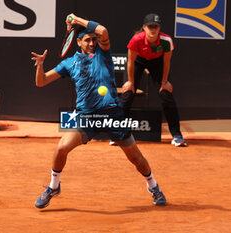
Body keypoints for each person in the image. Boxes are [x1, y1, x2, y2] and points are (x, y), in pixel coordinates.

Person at [31, 14, 166, 209]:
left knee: (136, 158)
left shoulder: (103, 54)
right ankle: (53, 186)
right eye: (87, 40)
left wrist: (76, 19)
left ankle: (153, 186)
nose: (92, 43)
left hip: (112, 114)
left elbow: (102, 31)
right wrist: (41, 65)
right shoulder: (69, 63)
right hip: (87, 117)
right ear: (78, 42)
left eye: (94, 40)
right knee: (61, 148)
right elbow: (41, 81)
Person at [118, 13, 187, 147]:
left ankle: (177, 136)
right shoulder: (136, 39)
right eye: (150, 26)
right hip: (138, 62)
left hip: (157, 63)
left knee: (166, 94)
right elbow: (130, 61)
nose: (153, 29)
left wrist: (164, 82)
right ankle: (118, 134)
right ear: (144, 27)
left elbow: (166, 62)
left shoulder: (166, 41)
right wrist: (130, 82)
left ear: (159, 29)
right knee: (127, 94)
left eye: (156, 27)